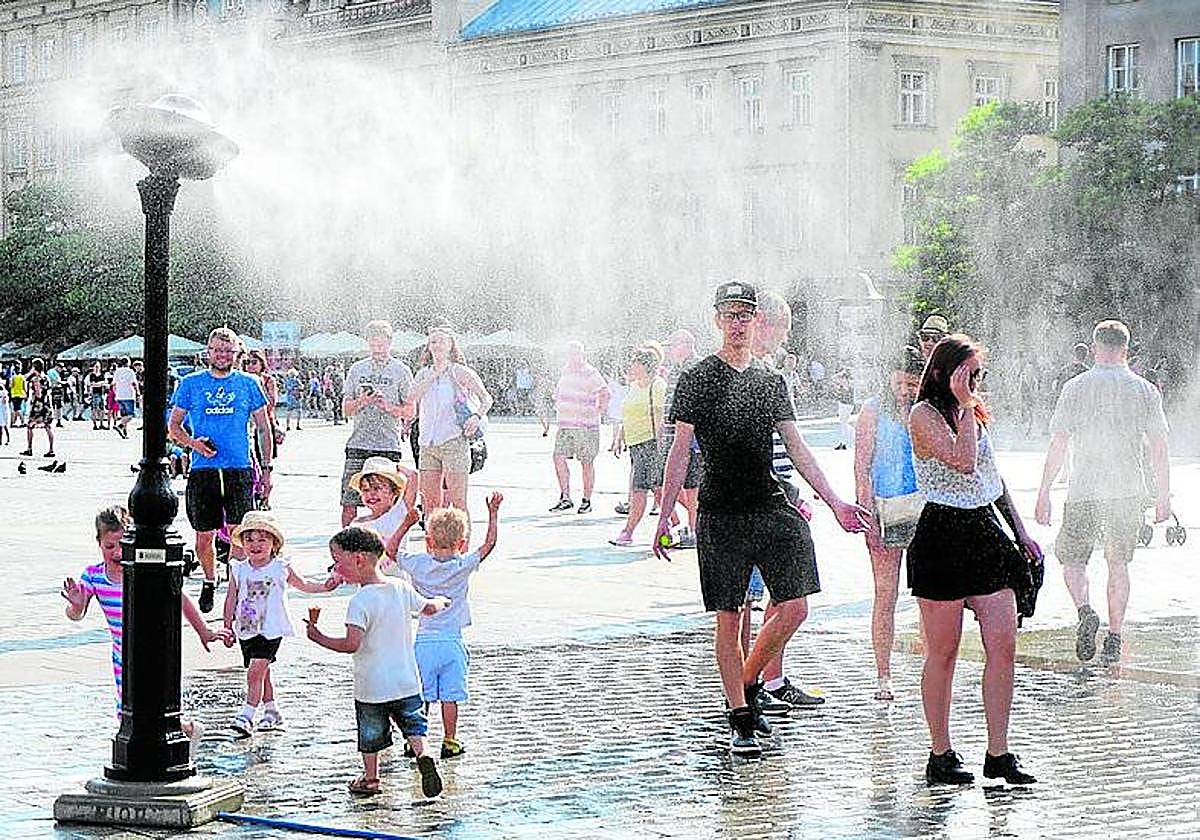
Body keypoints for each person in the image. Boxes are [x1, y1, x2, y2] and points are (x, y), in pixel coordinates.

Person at [654, 281, 869, 756]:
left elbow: (796, 446)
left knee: (795, 605)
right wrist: (666, 512)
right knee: (730, 617)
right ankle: (740, 715)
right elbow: (679, 450)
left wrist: (834, 500)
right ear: (717, 319)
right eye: (729, 314)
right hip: (720, 510)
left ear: (756, 321)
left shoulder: (771, 380)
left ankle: (748, 681)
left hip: (771, 503)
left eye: (745, 315)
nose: (737, 323)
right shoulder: (695, 378)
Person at [907, 333, 1041, 786]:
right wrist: (964, 405)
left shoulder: (974, 414)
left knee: (1003, 645)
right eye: (969, 374)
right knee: (943, 652)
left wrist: (1021, 533)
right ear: (945, 373)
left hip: (984, 531)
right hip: (942, 533)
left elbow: (991, 476)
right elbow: (962, 462)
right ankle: (940, 752)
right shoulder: (922, 415)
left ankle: (998, 752)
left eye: (979, 375)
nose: (976, 382)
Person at [1035, 320, 1171, 665]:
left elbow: (1060, 442)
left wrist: (1044, 490)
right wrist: (1164, 495)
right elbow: (1159, 447)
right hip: (1127, 491)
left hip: (1084, 489)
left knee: (1073, 560)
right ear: (1126, 349)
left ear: (1095, 347)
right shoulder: (1144, 390)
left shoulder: (1075, 387)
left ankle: (1085, 610)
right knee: (1118, 564)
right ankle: (1114, 635)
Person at [60, 506, 230, 758]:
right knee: (125, 709)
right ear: (99, 544)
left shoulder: (144, 571)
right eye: (109, 547)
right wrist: (75, 604)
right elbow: (77, 613)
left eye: (121, 545)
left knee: (154, 703)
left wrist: (204, 631)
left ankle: (178, 734)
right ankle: (163, 742)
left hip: (153, 648)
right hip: (122, 654)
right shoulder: (94, 576)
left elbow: (178, 597)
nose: (116, 553)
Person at [306, 525, 450, 798]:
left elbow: (351, 644)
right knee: (414, 725)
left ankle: (371, 779)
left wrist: (318, 637)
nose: (334, 569)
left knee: (370, 736)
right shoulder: (399, 587)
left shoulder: (360, 602)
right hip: (406, 681)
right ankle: (424, 754)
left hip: (372, 687)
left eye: (337, 562)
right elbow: (429, 608)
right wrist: (442, 601)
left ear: (358, 559)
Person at [168, 327, 275, 613]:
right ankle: (209, 577)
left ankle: (235, 588)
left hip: (238, 467)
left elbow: (264, 428)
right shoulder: (190, 384)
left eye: (228, 351)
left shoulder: (249, 383)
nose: (222, 355)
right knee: (205, 534)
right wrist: (194, 443)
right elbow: (173, 427)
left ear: (237, 354)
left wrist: (266, 469)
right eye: (217, 350)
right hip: (204, 468)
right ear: (208, 352)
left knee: (240, 532)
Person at [391, 492, 502, 759]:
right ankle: (450, 740)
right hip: (452, 641)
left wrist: (407, 523)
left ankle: (417, 741)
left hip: (424, 640)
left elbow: (391, 550)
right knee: (450, 696)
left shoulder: (417, 564)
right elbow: (488, 545)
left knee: (423, 696)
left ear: (428, 541)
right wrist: (493, 513)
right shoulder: (462, 565)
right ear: (462, 543)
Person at [222, 512, 339, 734]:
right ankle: (272, 711)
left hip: (271, 629)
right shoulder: (238, 568)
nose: (255, 545)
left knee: (255, 672)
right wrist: (227, 625)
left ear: (274, 543)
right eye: (249, 540)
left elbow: (303, 584)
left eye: (262, 539)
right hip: (247, 628)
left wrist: (326, 586)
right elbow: (231, 598)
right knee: (262, 672)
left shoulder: (279, 567)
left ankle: (247, 715)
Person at [853, 346, 925, 701]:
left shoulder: (929, 410)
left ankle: (934, 669)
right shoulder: (873, 410)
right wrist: (866, 515)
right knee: (886, 596)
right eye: (899, 383)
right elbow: (861, 466)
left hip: (926, 510)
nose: (904, 391)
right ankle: (884, 675)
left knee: (931, 595)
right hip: (885, 507)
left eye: (911, 384)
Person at [409, 324, 493, 512]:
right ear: (428, 347)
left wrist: (476, 416)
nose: (437, 345)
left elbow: (487, 398)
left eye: (441, 341)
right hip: (427, 445)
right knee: (430, 504)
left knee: (458, 502)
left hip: (453, 442)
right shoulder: (423, 373)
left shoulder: (459, 371)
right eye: (433, 342)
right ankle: (432, 541)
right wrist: (434, 375)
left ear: (451, 345)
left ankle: (463, 542)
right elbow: (411, 397)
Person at [339, 321, 415, 527]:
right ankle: (348, 543)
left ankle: (387, 543)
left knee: (389, 502)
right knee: (349, 500)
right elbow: (345, 408)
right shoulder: (357, 369)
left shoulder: (401, 371)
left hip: (387, 445)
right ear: (368, 341)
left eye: (381, 341)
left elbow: (411, 411)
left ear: (390, 342)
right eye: (373, 340)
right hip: (358, 443)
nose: (377, 345)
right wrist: (362, 401)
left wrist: (387, 406)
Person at [609, 348, 666, 546]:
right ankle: (679, 522)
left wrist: (661, 445)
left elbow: (660, 418)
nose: (631, 366)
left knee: (639, 488)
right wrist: (619, 437)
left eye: (635, 362)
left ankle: (627, 532)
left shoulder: (657, 386)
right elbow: (627, 414)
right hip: (635, 445)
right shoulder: (634, 385)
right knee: (658, 488)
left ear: (644, 366)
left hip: (650, 444)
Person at [548, 341, 609, 514]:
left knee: (586, 462)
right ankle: (565, 497)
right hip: (565, 425)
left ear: (583, 354)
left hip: (585, 427)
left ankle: (586, 500)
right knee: (558, 457)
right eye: (571, 353)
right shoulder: (565, 372)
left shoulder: (590, 373)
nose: (574, 357)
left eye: (577, 353)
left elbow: (605, 393)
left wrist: (598, 412)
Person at [660, 330, 701, 548]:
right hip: (672, 438)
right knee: (680, 485)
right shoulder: (675, 369)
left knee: (692, 487)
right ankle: (693, 524)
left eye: (673, 345)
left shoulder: (696, 367)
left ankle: (695, 530)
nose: (670, 350)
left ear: (686, 344)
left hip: (690, 442)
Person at [348, 456, 419, 547]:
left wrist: (395, 466)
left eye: (377, 488)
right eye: (365, 490)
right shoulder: (357, 523)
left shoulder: (399, 512)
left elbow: (413, 476)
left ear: (393, 492)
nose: (371, 494)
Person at [19, 358, 54, 458]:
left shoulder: (36, 379)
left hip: (38, 406)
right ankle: (51, 449)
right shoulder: (46, 377)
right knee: (48, 427)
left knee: (30, 426)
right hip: (47, 404)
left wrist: (31, 374)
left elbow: (38, 394)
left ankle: (29, 449)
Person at [111, 356, 139, 440]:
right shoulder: (130, 371)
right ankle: (120, 426)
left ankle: (124, 433)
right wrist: (138, 392)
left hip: (119, 396)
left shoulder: (117, 371)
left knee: (124, 415)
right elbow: (134, 383)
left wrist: (116, 393)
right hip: (129, 395)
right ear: (128, 363)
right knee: (130, 415)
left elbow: (114, 384)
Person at [86, 361, 108, 430]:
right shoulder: (92, 375)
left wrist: (100, 383)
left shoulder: (102, 374)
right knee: (94, 409)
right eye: (96, 366)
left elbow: (105, 383)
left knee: (102, 409)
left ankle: (101, 424)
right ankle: (95, 425)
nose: (98, 368)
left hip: (101, 393)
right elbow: (92, 384)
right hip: (94, 394)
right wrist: (100, 383)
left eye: (98, 366)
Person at [9, 361, 25, 427]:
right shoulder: (22, 377)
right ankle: (13, 422)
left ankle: (22, 421)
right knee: (17, 408)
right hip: (21, 394)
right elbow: (24, 386)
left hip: (14, 394)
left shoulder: (13, 377)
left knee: (17, 409)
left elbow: (10, 386)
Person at [0, 375, 9, 446]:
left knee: (4, 426)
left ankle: (8, 439)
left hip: (3, 410)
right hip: (2, 410)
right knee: (1, 426)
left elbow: (5, 400)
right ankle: (1, 440)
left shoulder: (3, 392)